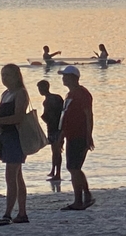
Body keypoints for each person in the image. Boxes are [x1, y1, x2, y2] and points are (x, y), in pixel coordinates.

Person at [0, 63, 30, 225]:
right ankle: (22, 212)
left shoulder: (20, 93)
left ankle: (8, 213)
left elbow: (19, 117)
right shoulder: (5, 93)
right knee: (17, 177)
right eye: (2, 75)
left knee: (11, 176)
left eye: (7, 75)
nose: (4, 78)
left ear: (16, 76)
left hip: (15, 138)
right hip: (5, 138)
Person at [59, 65, 95, 210]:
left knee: (74, 167)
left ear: (74, 78)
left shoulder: (82, 93)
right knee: (74, 168)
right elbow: (65, 117)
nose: (63, 78)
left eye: (66, 76)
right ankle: (86, 195)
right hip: (70, 135)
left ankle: (79, 199)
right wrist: (61, 136)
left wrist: (89, 136)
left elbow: (88, 115)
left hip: (79, 135)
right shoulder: (69, 95)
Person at [36, 80, 65, 181]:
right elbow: (63, 112)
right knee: (56, 150)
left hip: (54, 128)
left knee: (56, 151)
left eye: (40, 88)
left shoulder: (47, 101)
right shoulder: (57, 97)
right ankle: (54, 171)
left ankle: (57, 174)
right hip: (59, 127)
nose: (39, 91)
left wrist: (41, 118)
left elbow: (48, 117)